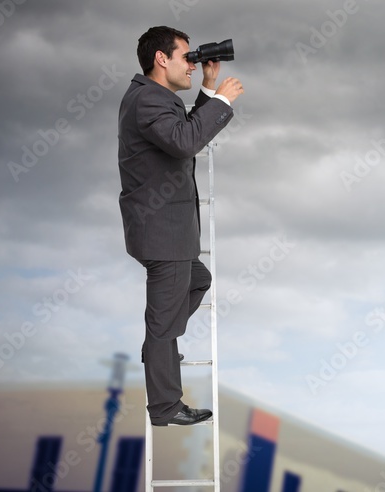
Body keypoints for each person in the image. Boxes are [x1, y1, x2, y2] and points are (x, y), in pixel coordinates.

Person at [117, 26, 244, 426]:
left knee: (197, 280)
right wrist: (222, 100)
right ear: (161, 58)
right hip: (163, 232)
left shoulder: (154, 98)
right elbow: (185, 141)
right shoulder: (147, 100)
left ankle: (159, 348)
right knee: (161, 323)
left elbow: (182, 130)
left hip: (169, 232)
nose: (190, 64)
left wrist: (206, 89)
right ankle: (166, 406)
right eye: (185, 57)